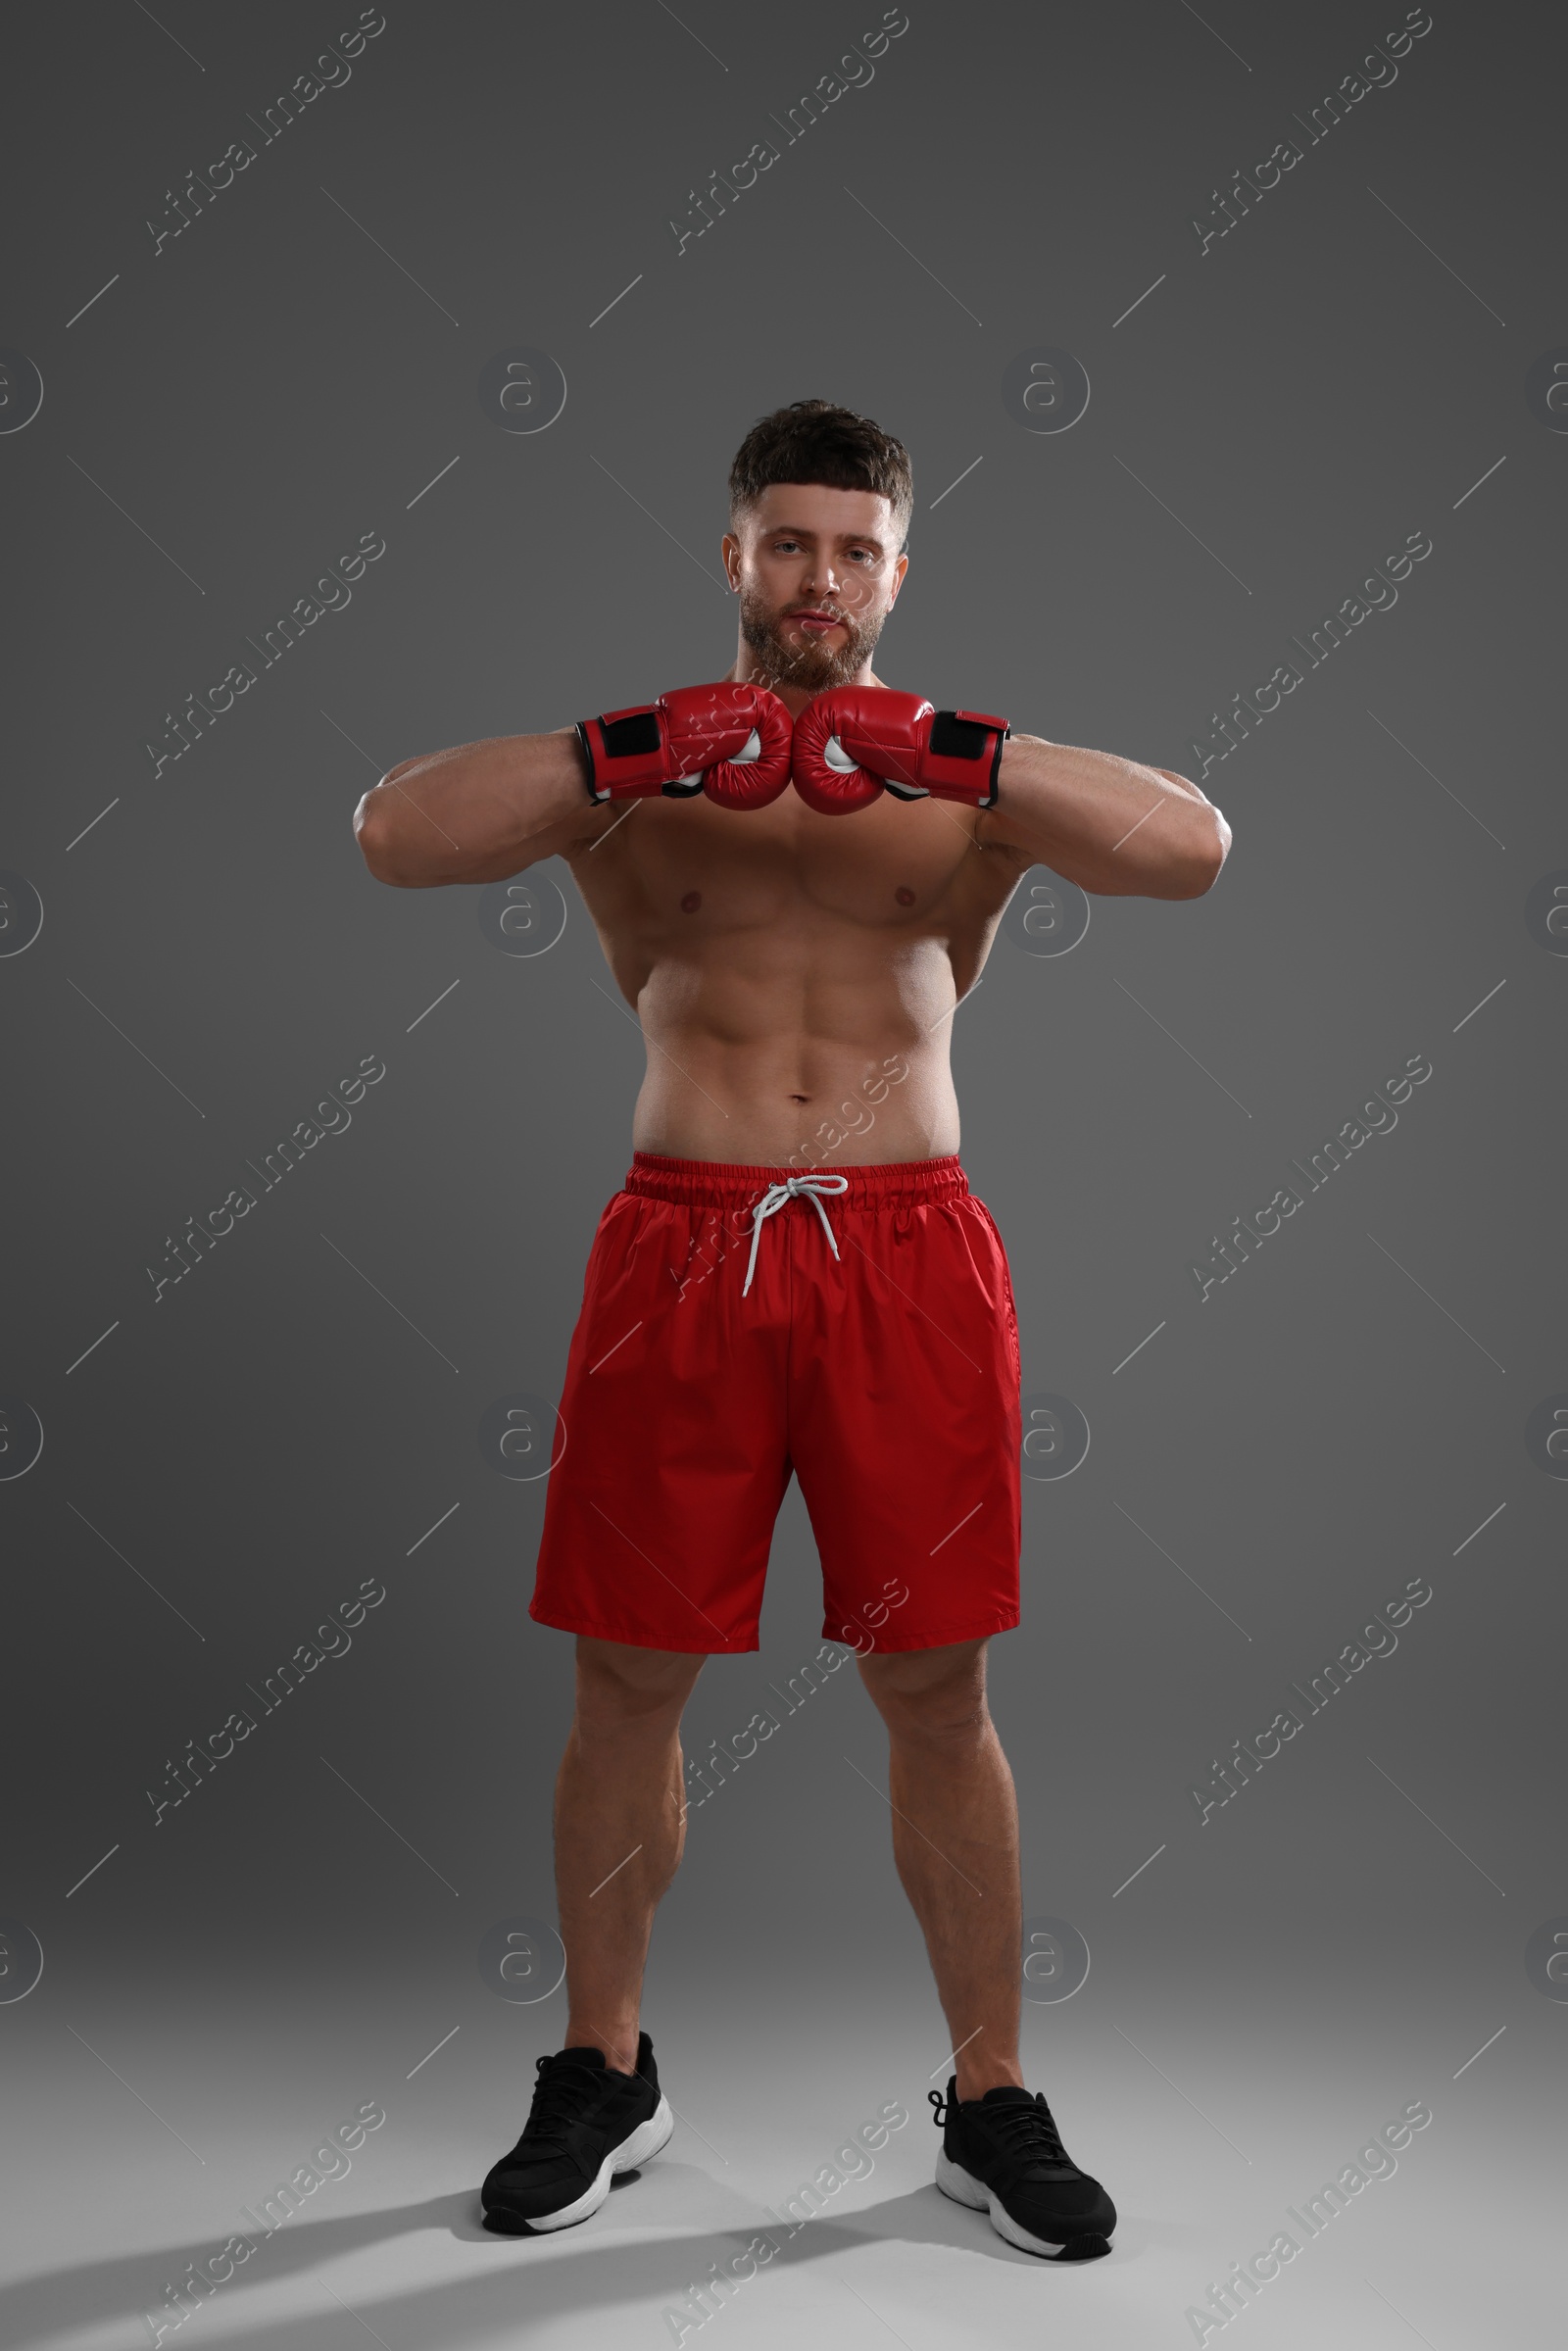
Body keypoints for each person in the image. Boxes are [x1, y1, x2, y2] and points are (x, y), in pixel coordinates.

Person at [354, 399, 1230, 2263]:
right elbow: (393, 836)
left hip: (906, 1259)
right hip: (682, 1254)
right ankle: (607, 2068)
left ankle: (989, 2099)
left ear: (897, 573)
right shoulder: (636, 772)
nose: (819, 581)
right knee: (628, 1676)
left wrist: (967, 749)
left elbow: (1194, 849)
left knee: (937, 1688)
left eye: (855, 550)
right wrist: (633, 739)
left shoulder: (962, 777)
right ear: (733, 558)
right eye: (786, 544)